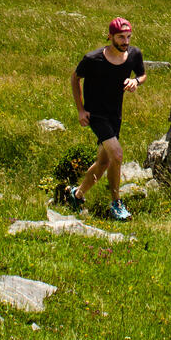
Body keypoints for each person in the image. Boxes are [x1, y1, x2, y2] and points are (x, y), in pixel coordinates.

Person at [59, 16, 146, 221]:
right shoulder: (93, 59)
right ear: (110, 37)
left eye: (128, 37)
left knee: (104, 162)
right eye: (120, 37)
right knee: (116, 154)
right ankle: (116, 203)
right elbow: (75, 78)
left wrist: (136, 82)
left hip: (115, 114)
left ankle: (76, 195)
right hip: (96, 114)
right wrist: (81, 110)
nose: (125, 41)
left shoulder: (134, 55)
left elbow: (142, 74)